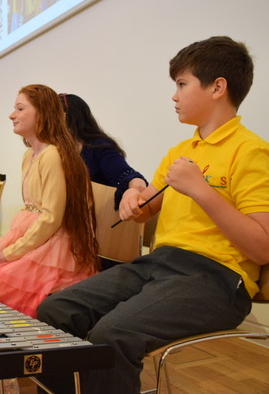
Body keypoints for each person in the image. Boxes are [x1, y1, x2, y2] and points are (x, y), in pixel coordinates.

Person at [37, 36, 269, 394]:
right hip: (159, 264)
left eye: (182, 84)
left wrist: (201, 190)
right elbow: (146, 207)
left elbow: (262, 248)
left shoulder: (252, 151)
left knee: (111, 335)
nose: (174, 95)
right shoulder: (180, 151)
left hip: (217, 278)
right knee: (55, 310)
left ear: (218, 87)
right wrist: (133, 199)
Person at [0, 85, 99, 318]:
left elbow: (51, 218)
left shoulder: (52, 155)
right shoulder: (29, 156)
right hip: (34, 235)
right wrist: (8, 247)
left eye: (20, 108)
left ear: (42, 113)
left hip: (52, 245)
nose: (12, 115)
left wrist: (11, 253)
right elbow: (33, 211)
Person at [61, 93, 147, 208]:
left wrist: (135, 188)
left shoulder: (99, 146)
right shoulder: (52, 151)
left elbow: (126, 175)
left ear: (65, 117)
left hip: (99, 218)